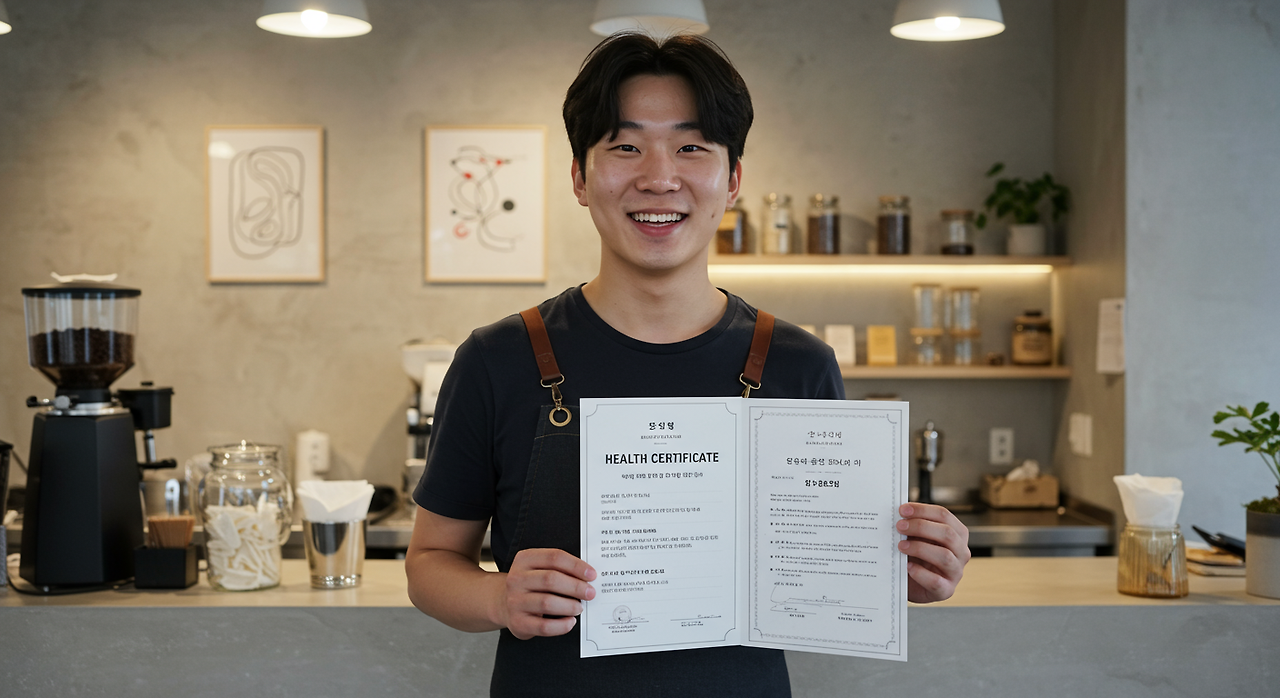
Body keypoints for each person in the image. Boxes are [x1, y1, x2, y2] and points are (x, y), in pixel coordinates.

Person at [405, 32, 971, 697]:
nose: (659, 177)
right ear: (580, 178)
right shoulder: (498, 358)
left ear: (732, 181)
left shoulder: (799, 365)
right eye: (625, 146)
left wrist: (903, 568)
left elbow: (823, 566)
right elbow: (430, 562)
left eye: (691, 147)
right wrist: (498, 597)